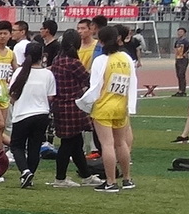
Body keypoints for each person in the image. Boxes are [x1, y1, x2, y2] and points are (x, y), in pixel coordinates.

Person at [79, 23, 137, 192]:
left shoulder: (100, 60)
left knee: (107, 144)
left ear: (101, 41)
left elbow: (95, 86)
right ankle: (127, 179)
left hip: (104, 106)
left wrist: (84, 103)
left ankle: (111, 181)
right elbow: (133, 82)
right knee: (121, 143)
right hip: (121, 106)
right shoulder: (126, 58)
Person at [7, 40, 54, 188]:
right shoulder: (48, 74)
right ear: (42, 56)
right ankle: (29, 175)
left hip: (22, 114)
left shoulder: (19, 72)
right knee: (34, 147)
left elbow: (12, 94)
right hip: (42, 114)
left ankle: (25, 171)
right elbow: (50, 97)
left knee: (17, 146)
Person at [48, 31, 92, 187]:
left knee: (75, 142)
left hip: (59, 106)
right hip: (73, 105)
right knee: (68, 144)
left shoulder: (57, 60)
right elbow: (88, 79)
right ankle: (60, 178)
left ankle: (86, 176)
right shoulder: (74, 63)